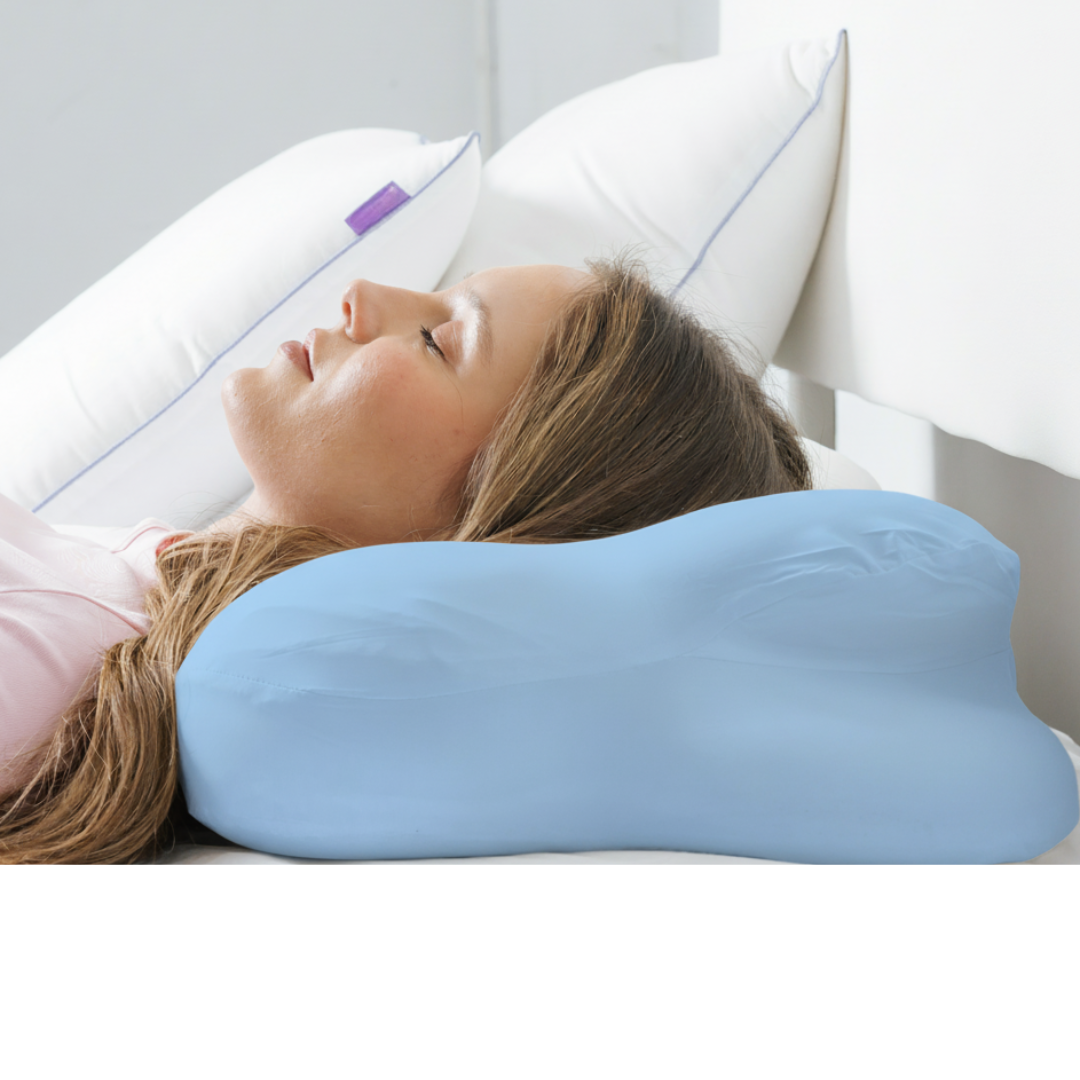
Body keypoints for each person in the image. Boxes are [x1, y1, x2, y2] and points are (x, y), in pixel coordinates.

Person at [0, 257, 812, 864]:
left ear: (493, 526)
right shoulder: (120, 588)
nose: (362, 295)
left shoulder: (49, 651)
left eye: (435, 340)